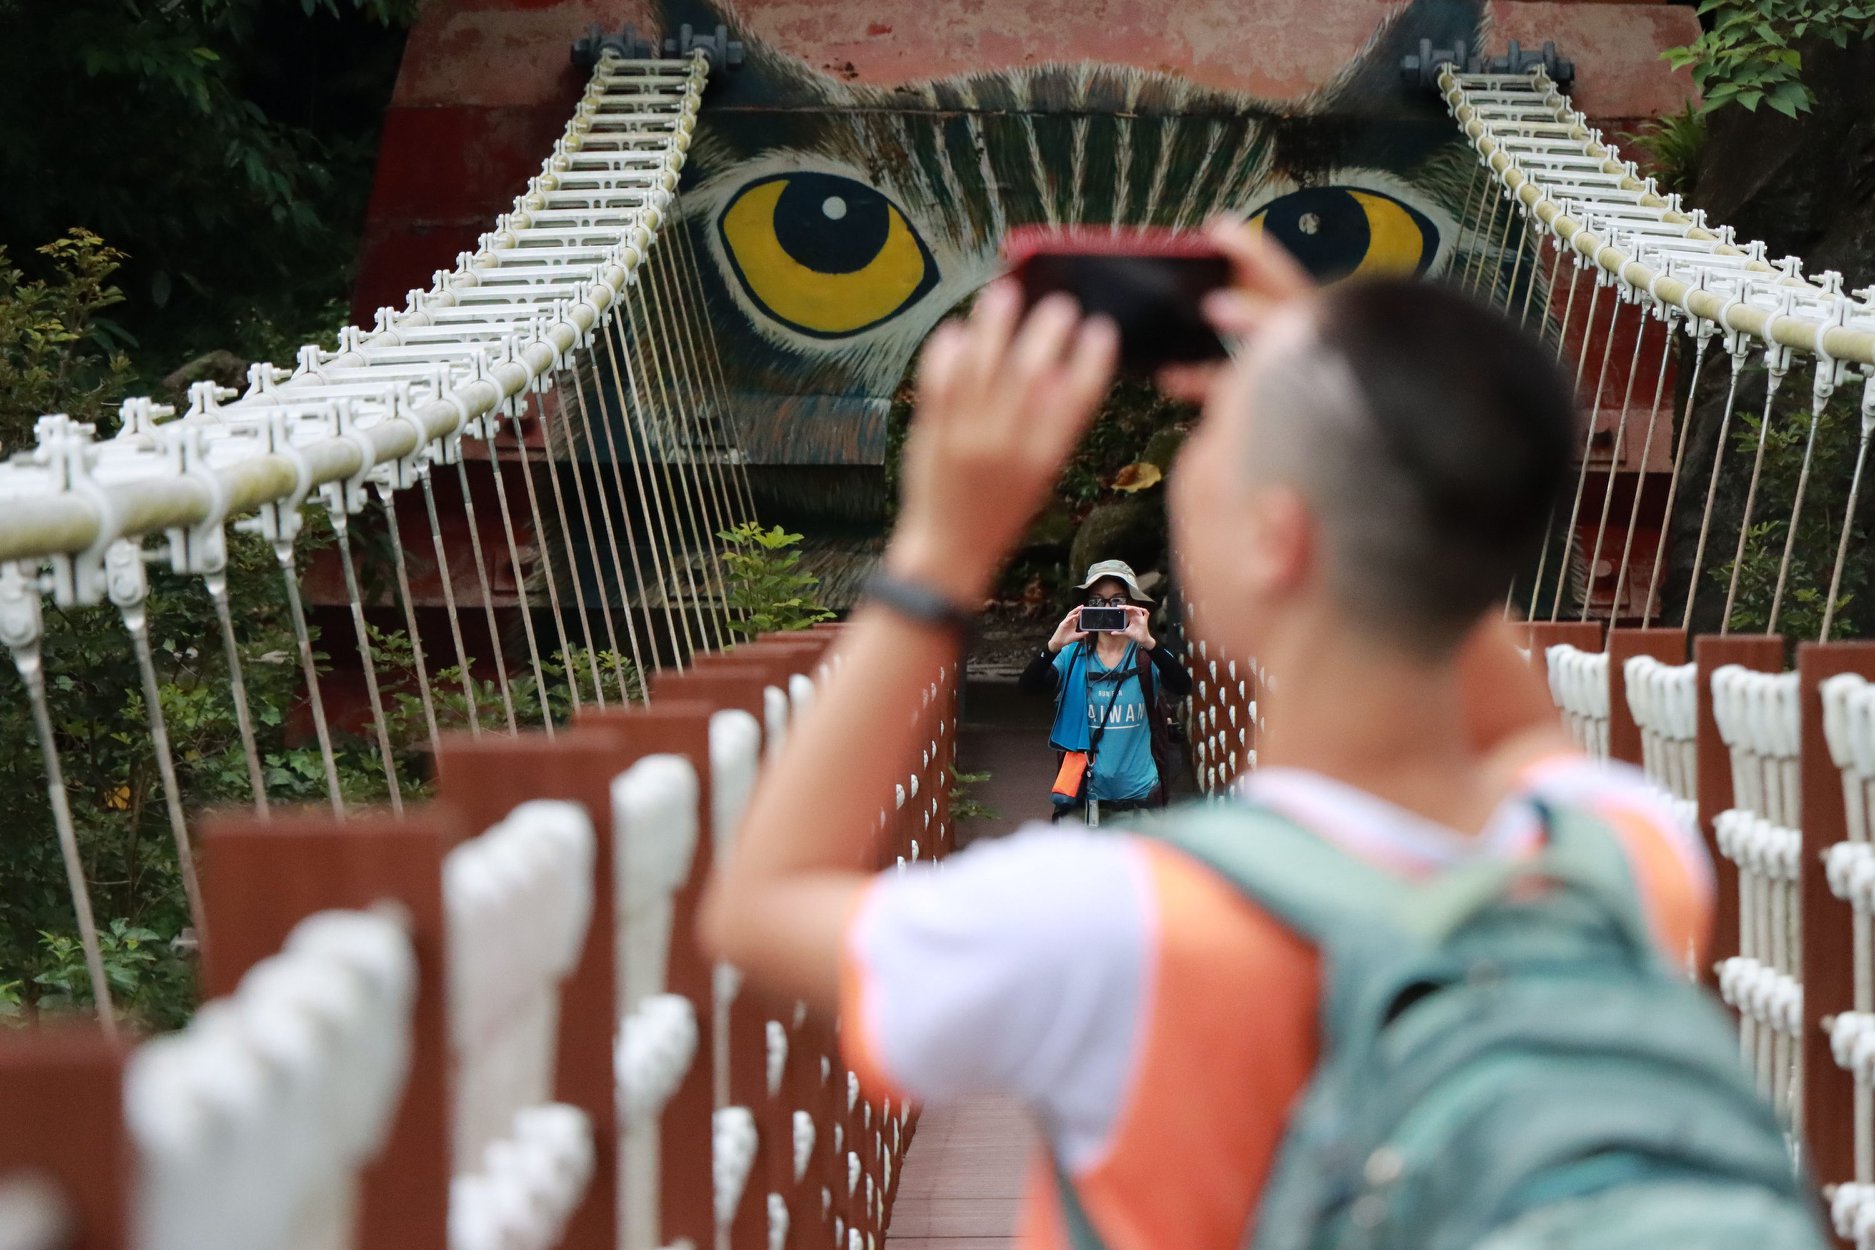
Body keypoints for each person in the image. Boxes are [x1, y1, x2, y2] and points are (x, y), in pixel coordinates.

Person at [698, 222, 1822, 1248]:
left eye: (1214, 443)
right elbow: (1494, 670)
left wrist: (940, 547)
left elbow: (756, 904)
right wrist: (1364, 416)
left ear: (1277, 541)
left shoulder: (1116, 926)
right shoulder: (1615, 856)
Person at [1020, 559, 1191, 821]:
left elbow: (1182, 685)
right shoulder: (1072, 655)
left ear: (1133, 605)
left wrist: (1148, 642)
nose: (1107, 608)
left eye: (1117, 601)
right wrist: (1053, 646)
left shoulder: (1146, 657)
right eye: (1097, 601)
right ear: (1085, 606)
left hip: (1138, 801)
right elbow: (1028, 688)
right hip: (1083, 800)